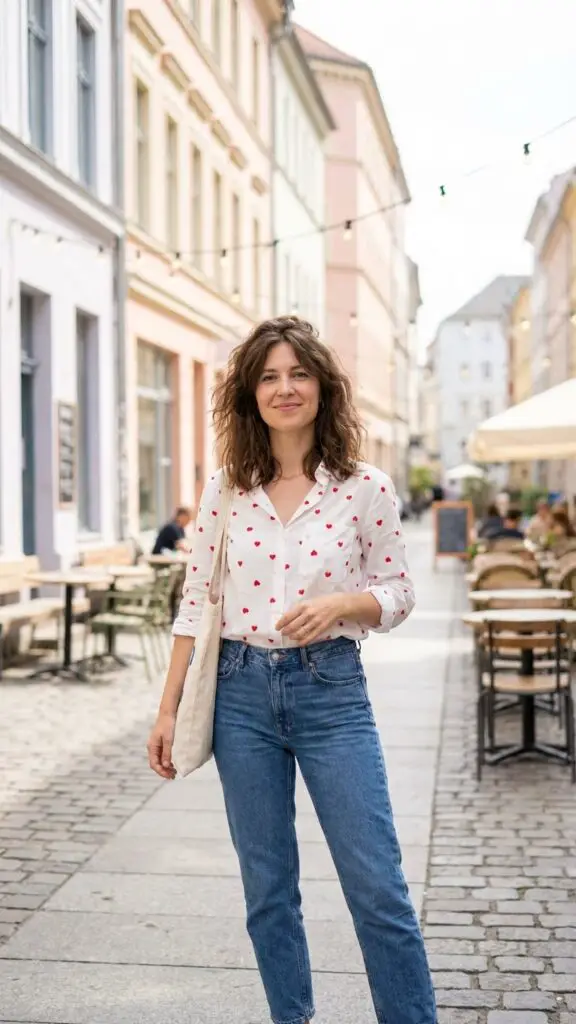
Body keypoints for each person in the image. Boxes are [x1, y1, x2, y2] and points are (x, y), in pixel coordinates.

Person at [147, 316, 437, 1024]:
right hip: (240, 694)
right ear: (250, 394)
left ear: (322, 387)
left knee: (378, 886)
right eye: (269, 376)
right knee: (268, 891)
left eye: (299, 374)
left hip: (330, 690)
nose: (285, 388)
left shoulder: (364, 486)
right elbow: (197, 601)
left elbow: (399, 592)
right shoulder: (226, 488)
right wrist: (167, 709)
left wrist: (343, 603)